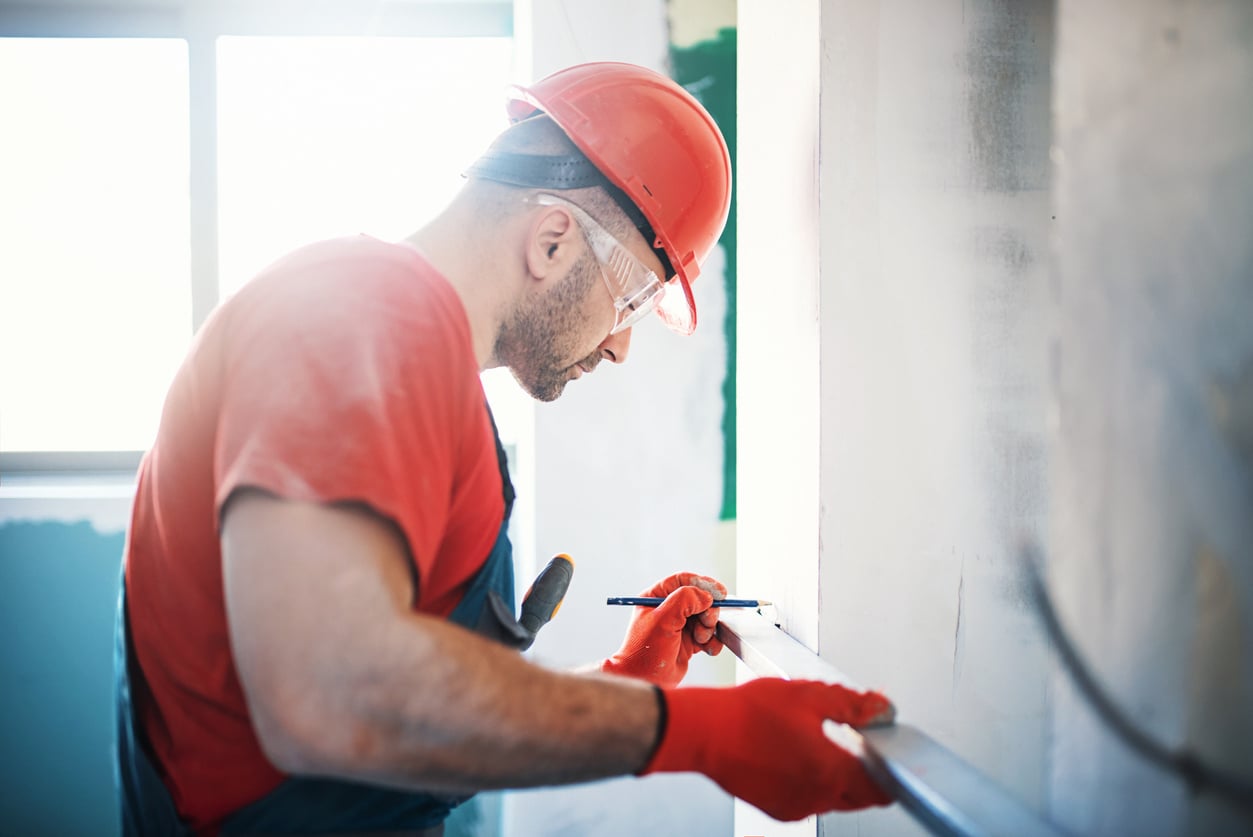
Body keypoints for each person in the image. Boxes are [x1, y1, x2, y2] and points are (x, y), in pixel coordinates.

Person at [115, 61, 896, 836]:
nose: (621, 346)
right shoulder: (364, 315)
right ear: (553, 241)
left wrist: (629, 685)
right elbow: (330, 695)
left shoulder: (404, 350)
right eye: (631, 300)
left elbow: (401, 725)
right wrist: (696, 730)